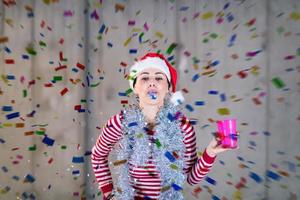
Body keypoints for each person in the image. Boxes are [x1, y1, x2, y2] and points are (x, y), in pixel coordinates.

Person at [91, 52, 235, 200]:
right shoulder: (120, 123)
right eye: (145, 77)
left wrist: (210, 152)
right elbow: (97, 155)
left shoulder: (182, 127)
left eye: (159, 78)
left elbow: (192, 178)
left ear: (168, 87)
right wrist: (108, 194)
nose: (152, 82)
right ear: (135, 87)